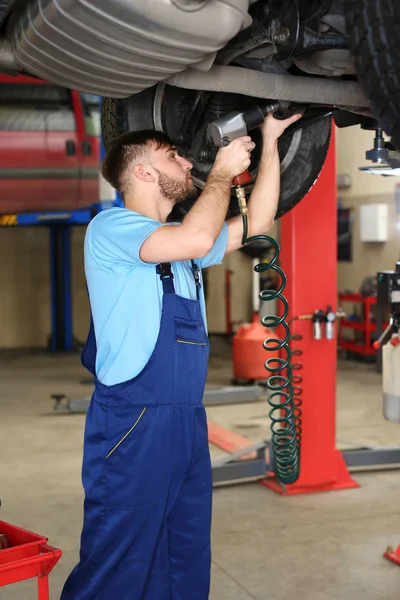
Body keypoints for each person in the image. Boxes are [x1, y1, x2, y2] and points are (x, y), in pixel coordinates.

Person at [60, 111, 300, 600]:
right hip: (133, 424)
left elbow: (257, 223)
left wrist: (271, 142)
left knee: (182, 556)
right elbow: (194, 235)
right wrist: (220, 174)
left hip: (187, 423)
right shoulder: (112, 229)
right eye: (173, 155)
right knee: (119, 560)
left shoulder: (184, 247)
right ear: (144, 172)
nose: (187, 160)